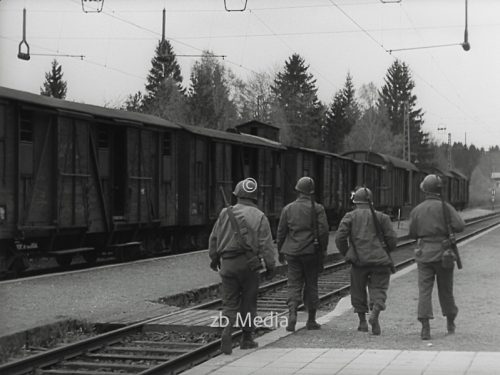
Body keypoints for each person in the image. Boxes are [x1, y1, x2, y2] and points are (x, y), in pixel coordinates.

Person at [208, 178, 276, 355]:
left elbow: (214, 238)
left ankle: (227, 331)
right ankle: (246, 339)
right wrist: (270, 267)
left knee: (229, 302)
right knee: (248, 301)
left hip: (228, 264)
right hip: (249, 265)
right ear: (255, 197)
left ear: (237, 195)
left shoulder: (225, 213)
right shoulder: (260, 216)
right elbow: (266, 245)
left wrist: (214, 259)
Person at [408, 174, 465, 340]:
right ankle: (450, 322)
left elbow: (412, 233)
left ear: (425, 189)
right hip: (444, 254)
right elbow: (460, 226)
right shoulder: (446, 207)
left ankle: (425, 327)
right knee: (446, 290)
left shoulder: (417, 209)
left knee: (424, 291)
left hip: (424, 254)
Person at [335, 187, 397, 335]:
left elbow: (339, 238)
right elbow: (392, 240)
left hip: (358, 261)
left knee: (358, 290)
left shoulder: (349, 216)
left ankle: (362, 322)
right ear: (371, 201)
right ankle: (376, 310)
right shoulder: (382, 217)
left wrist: (348, 253)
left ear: (355, 201)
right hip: (380, 261)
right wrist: (385, 250)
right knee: (379, 288)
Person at [276, 176, 329, 332]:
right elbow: (324, 231)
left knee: (293, 283)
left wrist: (280, 250)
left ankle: (292, 313)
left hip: (292, 253)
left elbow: (281, 232)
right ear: (311, 192)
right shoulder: (317, 208)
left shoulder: (288, 209)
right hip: (311, 252)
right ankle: (311, 320)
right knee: (311, 284)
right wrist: (323, 250)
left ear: (298, 190)